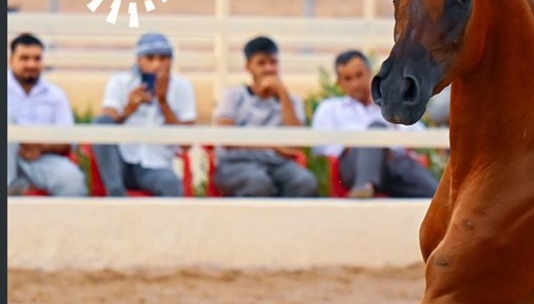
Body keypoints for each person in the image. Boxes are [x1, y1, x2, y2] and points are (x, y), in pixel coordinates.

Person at [312, 50, 439, 199]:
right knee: (376, 130)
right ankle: (364, 186)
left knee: (436, 196)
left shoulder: (389, 105)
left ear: (369, 73)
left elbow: (418, 134)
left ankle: (440, 203)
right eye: (347, 78)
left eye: (359, 75)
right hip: (353, 164)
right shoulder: (330, 108)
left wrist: (386, 145)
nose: (355, 84)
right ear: (339, 82)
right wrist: (357, 144)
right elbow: (321, 146)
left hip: (394, 163)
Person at [213, 36, 318, 198]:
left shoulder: (291, 100)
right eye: (261, 63)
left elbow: (296, 143)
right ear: (248, 67)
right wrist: (274, 146)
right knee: (258, 183)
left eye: (273, 62)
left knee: (305, 181)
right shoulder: (233, 95)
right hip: (236, 164)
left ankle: (286, 223)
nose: (268, 68)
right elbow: (226, 136)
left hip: (278, 165)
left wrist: (282, 94)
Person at [92, 32, 194, 197]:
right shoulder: (120, 82)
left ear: (171, 61)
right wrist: (129, 109)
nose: (156, 65)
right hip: (121, 161)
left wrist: (163, 102)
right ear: (138, 60)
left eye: (163, 58)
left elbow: (186, 143)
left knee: (171, 184)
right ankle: (116, 194)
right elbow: (105, 121)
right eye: (150, 58)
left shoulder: (182, 87)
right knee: (101, 123)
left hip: (156, 164)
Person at [6, 32, 88, 197]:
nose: (31, 64)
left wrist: (40, 146)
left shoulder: (55, 95)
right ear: (11, 60)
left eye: (37, 58)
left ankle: (67, 223)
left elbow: (67, 140)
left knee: (72, 181)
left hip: (40, 159)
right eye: (24, 58)